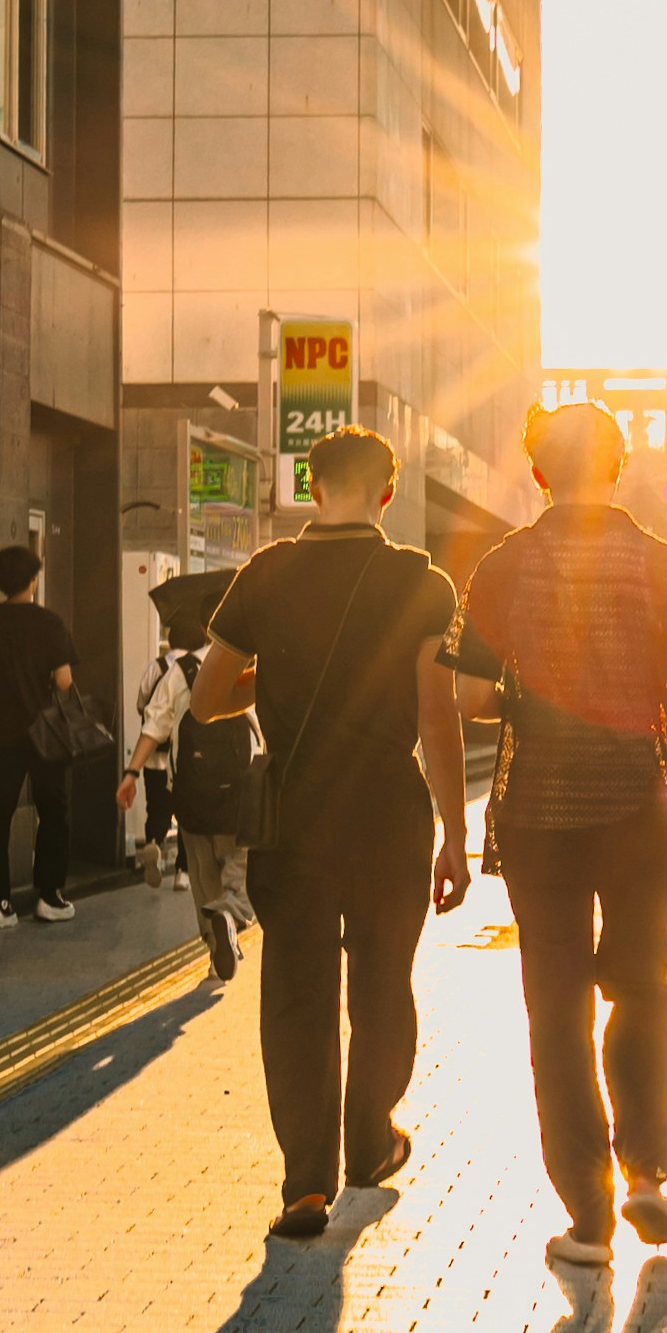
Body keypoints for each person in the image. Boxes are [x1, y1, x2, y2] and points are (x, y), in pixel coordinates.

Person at [447, 396, 667, 1276]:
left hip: (537, 815)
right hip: (638, 809)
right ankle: (646, 1166)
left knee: (556, 1011)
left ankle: (587, 1214)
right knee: (641, 980)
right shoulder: (660, 564)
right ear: (616, 465)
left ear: (538, 472)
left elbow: (468, 698)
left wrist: (524, 697)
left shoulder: (503, 566)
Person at [188, 428, 464, 1241]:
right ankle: (371, 1140)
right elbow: (434, 711)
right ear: (386, 492)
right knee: (384, 986)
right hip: (387, 810)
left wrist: (265, 681)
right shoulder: (418, 580)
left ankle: (304, 1185)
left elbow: (206, 701)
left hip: (294, 812)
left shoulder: (266, 574)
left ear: (312, 488)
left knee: (297, 994)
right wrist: (454, 830)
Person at [0, 540, 79, 930]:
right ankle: (49, 896)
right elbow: (64, 680)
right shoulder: (49, 623)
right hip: (43, 734)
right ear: (34, 580)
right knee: (53, 812)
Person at [117, 629, 250, 982]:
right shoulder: (254, 665)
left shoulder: (182, 670)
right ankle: (232, 915)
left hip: (191, 797)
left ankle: (215, 952)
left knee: (205, 882)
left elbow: (155, 724)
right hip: (241, 798)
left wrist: (132, 773)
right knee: (241, 876)